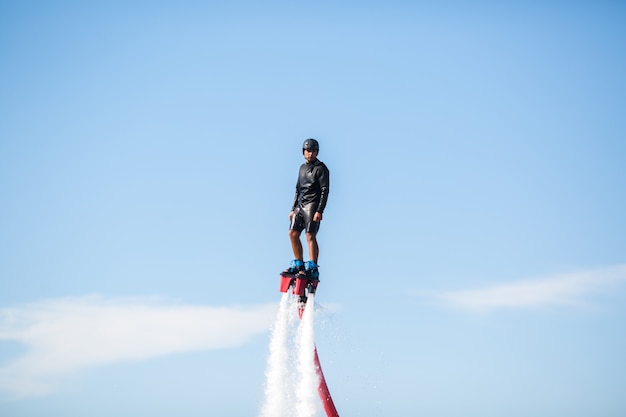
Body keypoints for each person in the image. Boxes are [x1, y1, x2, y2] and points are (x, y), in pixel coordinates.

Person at [283, 138, 330, 279]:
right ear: (303, 152)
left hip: (313, 206)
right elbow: (297, 190)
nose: (310, 154)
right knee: (292, 233)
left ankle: (312, 266)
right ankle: (299, 264)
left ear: (317, 152)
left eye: (313, 151)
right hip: (300, 205)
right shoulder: (302, 168)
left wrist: (319, 211)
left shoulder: (321, 168)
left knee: (310, 235)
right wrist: (293, 209)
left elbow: (324, 190)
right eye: (308, 151)